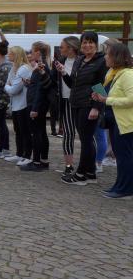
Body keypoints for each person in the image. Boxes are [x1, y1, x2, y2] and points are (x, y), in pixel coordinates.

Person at [56, 31, 108, 185]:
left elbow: (100, 86)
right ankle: (90, 173)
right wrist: (63, 73)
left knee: (86, 140)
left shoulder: (101, 61)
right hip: (76, 103)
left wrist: (96, 108)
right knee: (86, 140)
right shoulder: (80, 60)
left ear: (96, 44)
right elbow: (73, 84)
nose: (87, 45)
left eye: (91, 42)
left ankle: (80, 174)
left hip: (89, 104)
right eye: (85, 42)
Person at [91, 42, 133, 198]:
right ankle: (120, 185)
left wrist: (106, 100)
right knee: (121, 156)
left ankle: (126, 189)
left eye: (107, 54)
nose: (105, 57)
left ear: (116, 57)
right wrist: (100, 97)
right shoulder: (113, 73)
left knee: (125, 157)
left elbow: (131, 99)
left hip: (125, 123)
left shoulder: (127, 75)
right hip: (116, 122)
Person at [21, 41, 53, 172]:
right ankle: (43, 160)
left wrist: (34, 108)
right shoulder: (44, 64)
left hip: (37, 104)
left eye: (32, 51)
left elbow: (41, 89)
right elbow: (39, 85)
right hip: (38, 103)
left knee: (37, 133)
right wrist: (30, 83)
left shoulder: (41, 66)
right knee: (41, 132)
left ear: (38, 52)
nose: (30, 53)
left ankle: (36, 161)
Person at [54, 36, 80, 176]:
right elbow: (53, 80)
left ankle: (91, 164)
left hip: (81, 102)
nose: (60, 49)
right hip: (65, 100)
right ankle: (68, 165)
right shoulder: (61, 61)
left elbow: (73, 84)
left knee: (86, 135)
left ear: (71, 48)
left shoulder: (81, 61)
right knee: (68, 134)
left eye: (62, 47)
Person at [3, 46, 33, 166]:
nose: (8, 55)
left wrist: (7, 86)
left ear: (16, 55)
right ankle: (19, 154)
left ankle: (27, 155)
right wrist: (8, 85)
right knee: (18, 131)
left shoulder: (23, 69)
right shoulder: (14, 68)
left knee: (25, 131)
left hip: (23, 104)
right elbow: (9, 84)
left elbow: (13, 89)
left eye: (10, 53)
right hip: (16, 104)